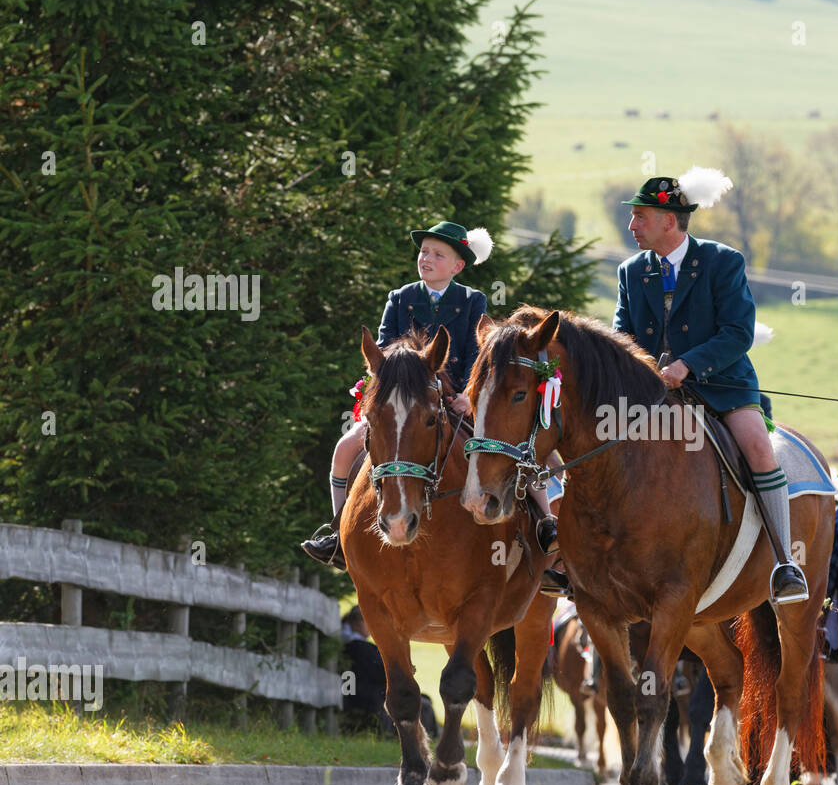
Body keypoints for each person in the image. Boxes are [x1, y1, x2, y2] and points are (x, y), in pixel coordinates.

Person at [300, 222, 559, 568]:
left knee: (505, 444)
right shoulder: (400, 297)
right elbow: (381, 349)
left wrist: (469, 395)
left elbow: (477, 353)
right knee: (344, 449)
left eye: (438, 254)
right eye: (424, 251)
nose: (427, 258)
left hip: (456, 401)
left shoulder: (472, 300)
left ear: (457, 266)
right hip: (405, 401)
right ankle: (339, 534)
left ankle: (544, 520)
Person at [612, 169, 807, 603]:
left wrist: (687, 365)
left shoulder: (723, 261)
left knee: (757, 445)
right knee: (596, 439)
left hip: (722, 384)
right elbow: (621, 335)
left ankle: (784, 562)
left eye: (640, 216)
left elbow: (738, 331)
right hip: (651, 391)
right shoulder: (630, 271)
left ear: (669, 220)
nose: (632, 226)